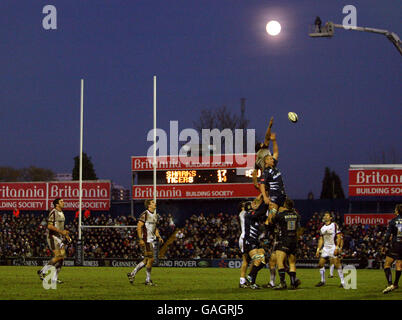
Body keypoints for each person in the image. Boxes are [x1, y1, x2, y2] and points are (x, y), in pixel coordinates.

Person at [127, 199, 163, 286]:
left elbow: (155, 228)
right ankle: (148, 280)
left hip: (151, 239)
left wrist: (159, 236)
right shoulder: (145, 214)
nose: (155, 204)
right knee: (151, 259)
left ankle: (132, 274)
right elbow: (139, 227)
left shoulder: (155, 215)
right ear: (149, 205)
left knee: (147, 259)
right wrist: (140, 239)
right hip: (146, 239)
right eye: (153, 202)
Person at [268, 198, 301, 289]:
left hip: (284, 240)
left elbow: (271, 221)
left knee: (280, 262)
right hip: (294, 240)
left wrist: (273, 211)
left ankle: (282, 283)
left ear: (285, 205)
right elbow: (298, 228)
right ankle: (293, 283)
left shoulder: (281, 215)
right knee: (292, 263)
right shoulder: (296, 215)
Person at [37, 198, 71, 284]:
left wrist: (66, 235)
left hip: (59, 237)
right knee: (59, 256)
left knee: (62, 257)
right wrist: (61, 232)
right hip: (52, 236)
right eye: (61, 201)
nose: (63, 202)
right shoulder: (53, 212)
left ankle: (54, 279)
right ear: (56, 204)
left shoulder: (62, 213)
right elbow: (49, 226)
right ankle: (42, 271)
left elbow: (61, 228)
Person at [239, 195, 266, 289]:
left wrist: (263, 196)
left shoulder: (255, 216)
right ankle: (249, 280)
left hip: (255, 241)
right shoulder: (248, 215)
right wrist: (264, 199)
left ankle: (250, 277)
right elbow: (261, 210)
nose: (255, 204)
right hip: (249, 241)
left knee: (262, 261)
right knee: (256, 260)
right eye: (253, 204)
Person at [258, 132, 286, 218]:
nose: (272, 160)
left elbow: (276, 152)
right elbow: (262, 185)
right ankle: (266, 230)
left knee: (283, 216)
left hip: (282, 195)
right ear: (266, 161)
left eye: (272, 158)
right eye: (270, 159)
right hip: (274, 196)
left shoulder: (274, 167)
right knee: (271, 218)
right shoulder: (266, 172)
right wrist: (265, 197)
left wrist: (274, 141)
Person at [315, 212, 345, 288]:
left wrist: (337, 247)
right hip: (325, 248)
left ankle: (343, 282)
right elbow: (321, 239)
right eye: (324, 215)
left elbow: (339, 236)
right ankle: (322, 281)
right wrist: (318, 249)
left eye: (327, 215)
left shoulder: (334, 225)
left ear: (331, 218)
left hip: (332, 247)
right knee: (320, 264)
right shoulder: (322, 228)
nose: (325, 216)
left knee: (337, 264)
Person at [381, 203, 402, 294]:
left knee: (387, 264)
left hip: (396, 245)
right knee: (399, 264)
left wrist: (383, 245)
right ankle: (396, 284)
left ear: (397, 211)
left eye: (395, 209)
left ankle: (390, 283)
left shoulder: (393, 221)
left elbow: (388, 235)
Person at [252, 117, 274, 189]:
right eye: (262, 144)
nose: (263, 144)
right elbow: (267, 137)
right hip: (269, 174)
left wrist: (255, 183)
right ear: (260, 147)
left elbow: (254, 173)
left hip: (264, 176)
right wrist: (270, 126)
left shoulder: (256, 160)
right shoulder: (263, 149)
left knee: (266, 194)